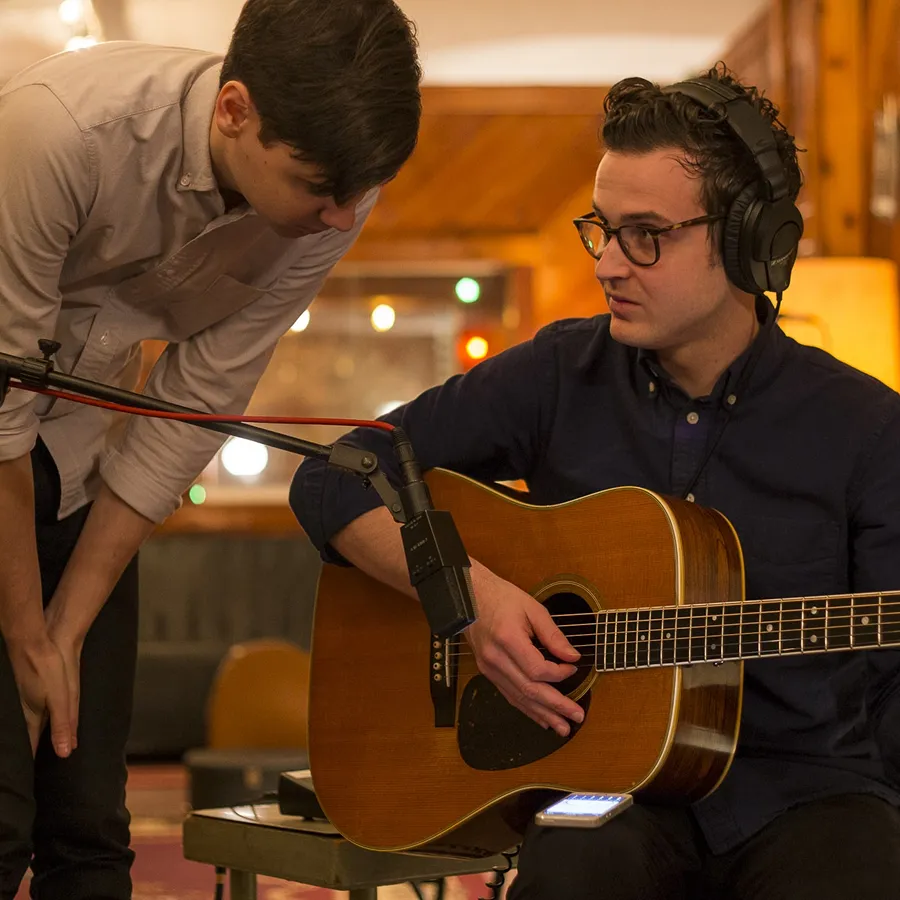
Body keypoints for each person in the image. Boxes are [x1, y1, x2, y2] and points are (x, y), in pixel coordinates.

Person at [290, 65, 900, 899]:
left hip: (805, 794)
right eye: (601, 229)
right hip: (606, 789)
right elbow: (336, 479)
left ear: (749, 239)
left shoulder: (866, 427)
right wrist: (469, 603)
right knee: (574, 864)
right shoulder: (557, 373)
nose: (608, 263)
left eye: (644, 234)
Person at [0, 0, 421, 896]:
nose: (343, 218)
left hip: (75, 470)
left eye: (358, 193)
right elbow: (1, 414)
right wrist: (26, 632)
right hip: (3, 447)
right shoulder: (60, 133)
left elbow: (194, 401)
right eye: (318, 188)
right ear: (234, 110)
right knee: (1, 816)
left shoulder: (338, 181)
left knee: (89, 823)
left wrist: (68, 624)